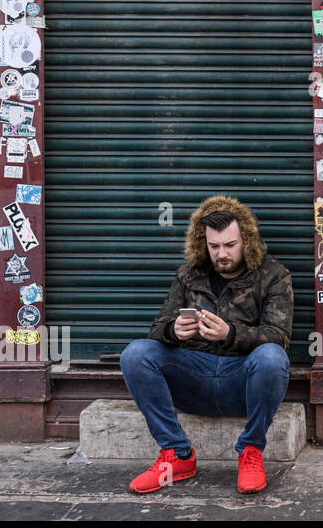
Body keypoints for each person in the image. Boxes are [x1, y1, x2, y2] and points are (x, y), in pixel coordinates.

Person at [119, 195, 293, 494]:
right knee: (136, 354)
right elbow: (156, 330)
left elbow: (279, 335)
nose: (222, 254)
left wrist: (230, 333)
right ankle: (176, 454)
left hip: (241, 383)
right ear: (204, 243)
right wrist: (174, 331)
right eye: (214, 246)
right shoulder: (189, 275)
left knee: (272, 357)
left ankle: (251, 451)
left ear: (247, 241)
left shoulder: (274, 275)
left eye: (230, 245)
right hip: (193, 380)